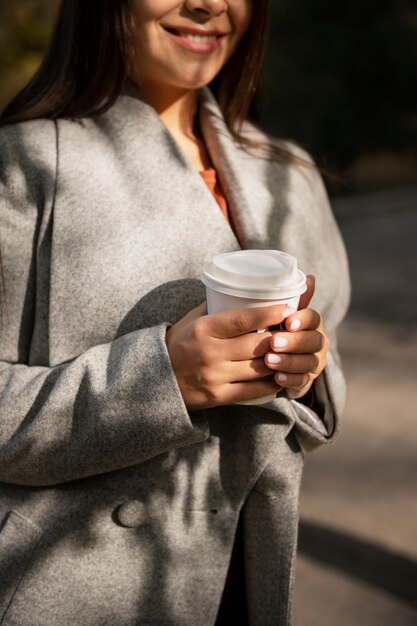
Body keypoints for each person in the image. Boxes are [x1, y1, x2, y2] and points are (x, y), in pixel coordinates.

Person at [0, 1, 350, 624]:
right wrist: (163, 380)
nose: (209, 4)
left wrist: (308, 367)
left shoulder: (287, 174)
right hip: (76, 592)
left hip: (247, 576)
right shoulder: (23, 166)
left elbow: (327, 358)